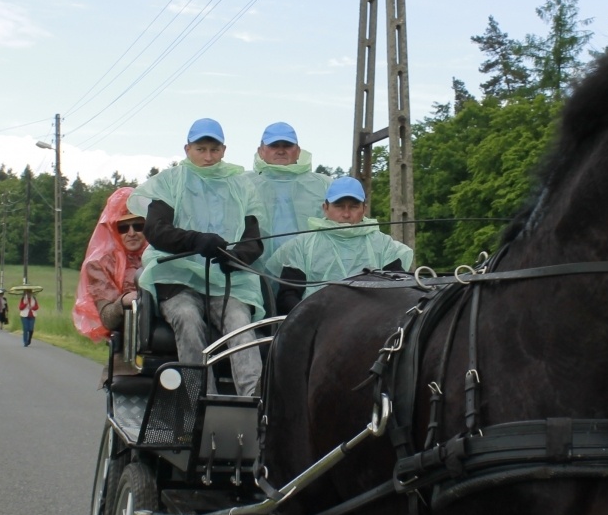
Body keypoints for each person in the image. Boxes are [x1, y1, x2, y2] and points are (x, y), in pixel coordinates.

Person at [127, 118, 265, 395]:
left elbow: (254, 239)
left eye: (214, 150)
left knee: (241, 325)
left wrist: (237, 256)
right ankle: (199, 402)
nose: (208, 156)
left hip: (227, 281)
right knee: (188, 318)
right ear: (187, 148)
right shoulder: (169, 182)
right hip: (176, 278)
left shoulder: (242, 186)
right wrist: (195, 240)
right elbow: (156, 230)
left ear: (224, 150)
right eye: (201, 149)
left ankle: (255, 406)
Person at [270, 175, 413, 316]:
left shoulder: (383, 244)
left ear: (364, 209)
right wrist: (312, 317)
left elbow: (398, 289)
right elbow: (287, 296)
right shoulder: (302, 245)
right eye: (339, 206)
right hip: (316, 325)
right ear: (325, 208)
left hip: (373, 324)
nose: (346, 214)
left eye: (354, 206)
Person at [245, 121, 329, 270]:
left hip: (310, 271)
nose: (281, 151)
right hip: (254, 271)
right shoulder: (242, 183)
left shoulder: (323, 184)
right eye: (274, 145)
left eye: (287, 145)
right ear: (261, 151)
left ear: (298, 151)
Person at [73, 187, 149, 344]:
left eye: (138, 225)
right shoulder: (100, 265)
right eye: (123, 227)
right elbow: (107, 318)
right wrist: (124, 301)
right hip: (127, 344)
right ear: (114, 229)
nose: (131, 232)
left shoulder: (160, 256)